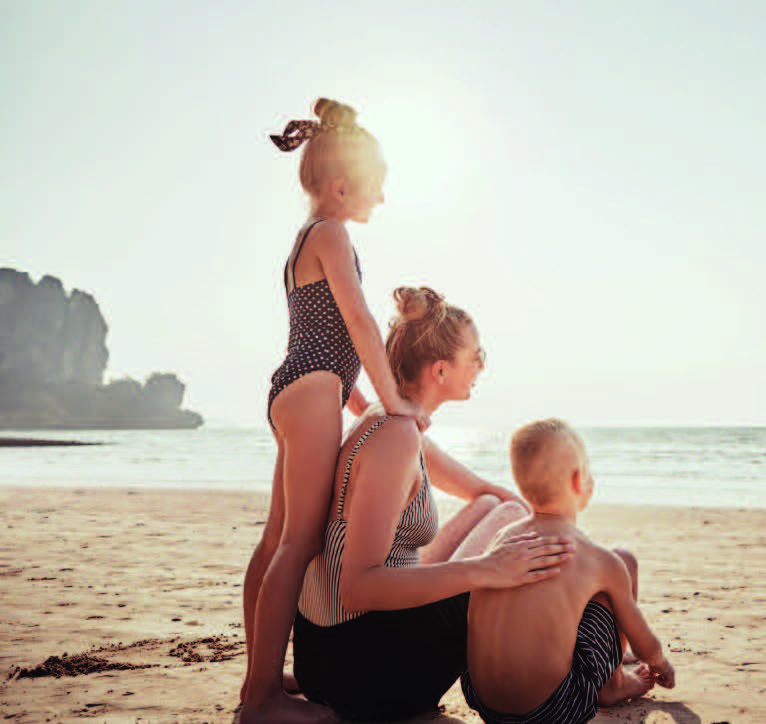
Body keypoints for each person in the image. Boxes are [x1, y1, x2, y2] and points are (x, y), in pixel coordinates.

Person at [292, 287, 576, 722]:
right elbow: (357, 587)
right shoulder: (395, 440)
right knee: (507, 547)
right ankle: (581, 654)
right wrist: (489, 569)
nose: (482, 365)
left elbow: (492, 495)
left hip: (324, 659)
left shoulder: (393, 424)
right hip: (368, 673)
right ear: (441, 370)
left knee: (500, 511)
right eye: (476, 355)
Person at [240, 98, 431, 724]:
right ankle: (260, 698)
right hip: (311, 391)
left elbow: (325, 336)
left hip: (297, 387)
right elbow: (358, 322)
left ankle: (262, 673)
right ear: (343, 183)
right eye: (377, 184)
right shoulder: (333, 234)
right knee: (298, 542)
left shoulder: (307, 239)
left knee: (277, 539)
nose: (382, 196)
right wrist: (397, 403)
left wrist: (359, 398)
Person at [462, 418, 676, 724]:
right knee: (624, 563)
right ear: (579, 481)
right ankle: (614, 685)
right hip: (551, 711)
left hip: (484, 703)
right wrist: (661, 665)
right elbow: (645, 645)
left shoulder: (504, 540)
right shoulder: (597, 559)